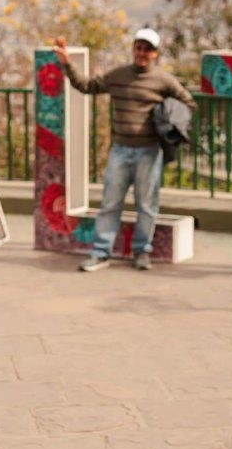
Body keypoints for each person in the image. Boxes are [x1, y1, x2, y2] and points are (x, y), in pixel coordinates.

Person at [54, 28, 196, 271]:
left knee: (147, 204)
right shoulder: (119, 75)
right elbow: (87, 86)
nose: (141, 53)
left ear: (155, 54)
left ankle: (142, 251)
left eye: (147, 49)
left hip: (149, 151)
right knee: (110, 202)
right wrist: (67, 63)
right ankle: (101, 252)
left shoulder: (163, 81)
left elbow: (188, 103)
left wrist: (168, 119)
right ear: (133, 49)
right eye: (138, 47)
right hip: (120, 150)